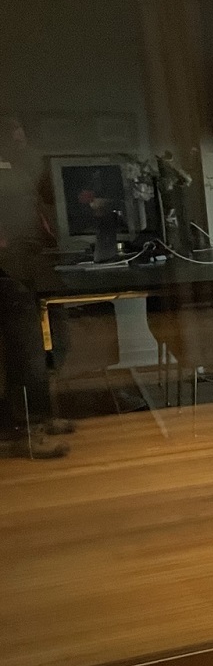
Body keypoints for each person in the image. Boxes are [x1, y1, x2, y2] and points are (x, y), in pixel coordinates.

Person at [0, 116, 72, 458]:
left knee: (55, 341)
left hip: (33, 263)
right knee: (25, 353)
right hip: (7, 269)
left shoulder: (21, 166)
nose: (20, 134)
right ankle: (28, 431)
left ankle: (43, 417)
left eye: (21, 128)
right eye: (13, 129)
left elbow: (45, 196)